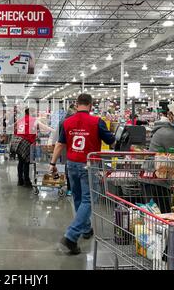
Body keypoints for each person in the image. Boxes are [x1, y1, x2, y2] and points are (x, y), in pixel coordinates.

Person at [49, 94, 115, 255]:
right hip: (89, 164)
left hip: (71, 164)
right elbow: (110, 141)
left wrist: (52, 164)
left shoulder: (67, 122)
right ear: (91, 105)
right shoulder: (97, 121)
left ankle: (86, 229)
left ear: (76, 104)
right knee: (90, 199)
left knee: (78, 198)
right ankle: (71, 236)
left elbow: (59, 144)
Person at [12, 108, 54, 187]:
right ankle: (27, 182)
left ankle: (20, 181)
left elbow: (13, 126)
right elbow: (45, 127)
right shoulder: (33, 120)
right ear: (30, 112)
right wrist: (55, 131)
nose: (35, 113)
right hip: (25, 141)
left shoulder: (21, 119)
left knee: (21, 161)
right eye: (34, 112)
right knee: (26, 162)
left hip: (16, 141)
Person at [50, 104, 77, 196]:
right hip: (75, 149)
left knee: (68, 167)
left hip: (65, 149)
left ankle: (70, 188)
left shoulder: (62, 122)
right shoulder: (72, 122)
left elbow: (55, 139)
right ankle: (72, 188)